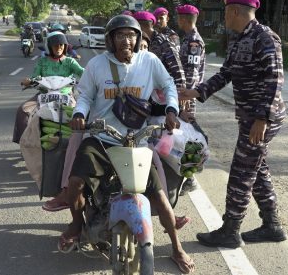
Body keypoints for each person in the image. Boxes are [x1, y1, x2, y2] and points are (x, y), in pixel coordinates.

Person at [63, 15, 195, 274]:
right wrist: (79, 114)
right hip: (102, 138)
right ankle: (76, 225)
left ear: (138, 39)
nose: (127, 40)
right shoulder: (97, 65)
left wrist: (171, 109)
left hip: (136, 140)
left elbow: (169, 85)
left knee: (159, 195)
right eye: (121, 35)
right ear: (110, 39)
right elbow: (85, 95)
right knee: (76, 182)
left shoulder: (149, 61)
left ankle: (177, 247)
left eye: (131, 35)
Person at [179, 0, 287, 248]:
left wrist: (262, 119)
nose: (224, 18)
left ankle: (230, 230)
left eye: (225, 12)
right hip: (251, 117)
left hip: (261, 119)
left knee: (241, 172)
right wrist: (195, 92)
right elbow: (225, 74)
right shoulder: (239, 40)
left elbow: (274, 79)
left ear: (235, 11)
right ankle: (272, 225)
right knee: (257, 169)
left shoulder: (264, 37)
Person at [134, 10, 191, 229]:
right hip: (128, 117)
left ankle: (167, 212)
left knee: (160, 159)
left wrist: (177, 108)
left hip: (160, 108)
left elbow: (175, 77)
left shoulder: (163, 45)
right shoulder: (123, 54)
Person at [15, 31, 84, 141]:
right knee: (22, 111)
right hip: (44, 94)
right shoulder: (42, 62)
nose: (59, 47)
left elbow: (82, 72)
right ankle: (25, 142)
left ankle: (78, 143)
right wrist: (29, 81)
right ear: (49, 47)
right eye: (55, 45)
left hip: (66, 95)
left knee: (79, 115)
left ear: (65, 46)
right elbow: (35, 77)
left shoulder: (70, 62)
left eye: (61, 45)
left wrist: (93, 76)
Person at [175, 4, 206, 194]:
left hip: (188, 95)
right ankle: (187, 175)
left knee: (189, 136)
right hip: (185, 93)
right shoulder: (187, 38)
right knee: (184, 133)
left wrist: (186, 95)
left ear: (184, 19)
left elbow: (192, 72)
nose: (177, 21)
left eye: (179, 17)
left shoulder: (194, 41)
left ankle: (190, 178)